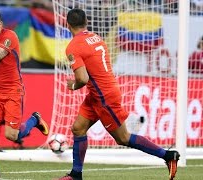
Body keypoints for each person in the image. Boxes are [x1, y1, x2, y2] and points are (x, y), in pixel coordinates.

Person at [58, 8, 180, 180]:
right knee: (78, 128)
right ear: (86, 22)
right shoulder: (96, 38)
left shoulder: (73, 46)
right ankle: (76, 175)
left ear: (67, 24)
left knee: (123, 138)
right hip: (99, 93)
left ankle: (167, 156)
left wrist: (73, 85)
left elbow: (83, 78)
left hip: (103, 97)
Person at [0, 8, 49, 179]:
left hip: (13, 91)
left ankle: (34, 119)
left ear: (0, 24)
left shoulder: (10, 37)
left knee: (12, 135)